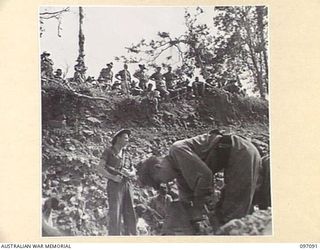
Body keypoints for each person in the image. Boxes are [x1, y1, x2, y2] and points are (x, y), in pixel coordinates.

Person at [137, 129, 262, 230]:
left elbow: (205, 176)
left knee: (233, 213)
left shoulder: (177, 150)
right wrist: (194, 218)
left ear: (157, 168)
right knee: (226, 212)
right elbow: (186, 199)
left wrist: (198, 206)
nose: (166, 183)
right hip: (234, 157)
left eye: (160, 180)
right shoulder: (179, 173)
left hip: (240, 151)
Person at [95, 129, 137, 235]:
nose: (128, 140)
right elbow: (100, 168)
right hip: (115, 185)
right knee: (115, 213)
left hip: (128, 184)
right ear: (118, 138)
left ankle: (131, 237)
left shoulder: (126, 153)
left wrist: (130, 173)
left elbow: (134, 170)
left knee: (130, 211)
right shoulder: (108, 151)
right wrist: (112, 177)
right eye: (126, 138)